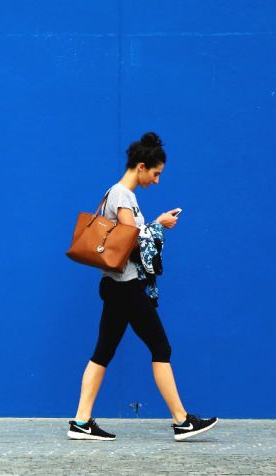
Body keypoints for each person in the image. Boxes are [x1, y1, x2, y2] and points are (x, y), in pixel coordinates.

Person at [66, 132, 218, 442]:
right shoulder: (123, 195)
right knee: (160, 347)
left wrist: (154, 225)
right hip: (126, 287)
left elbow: (130, 239)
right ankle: (181, 421)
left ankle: (81, 422)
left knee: (103, 353)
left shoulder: (119, 194)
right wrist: (159, 224)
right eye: (156, 173)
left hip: (115, 286)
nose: (157, 180)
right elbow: (130, 241)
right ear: (141, 166)